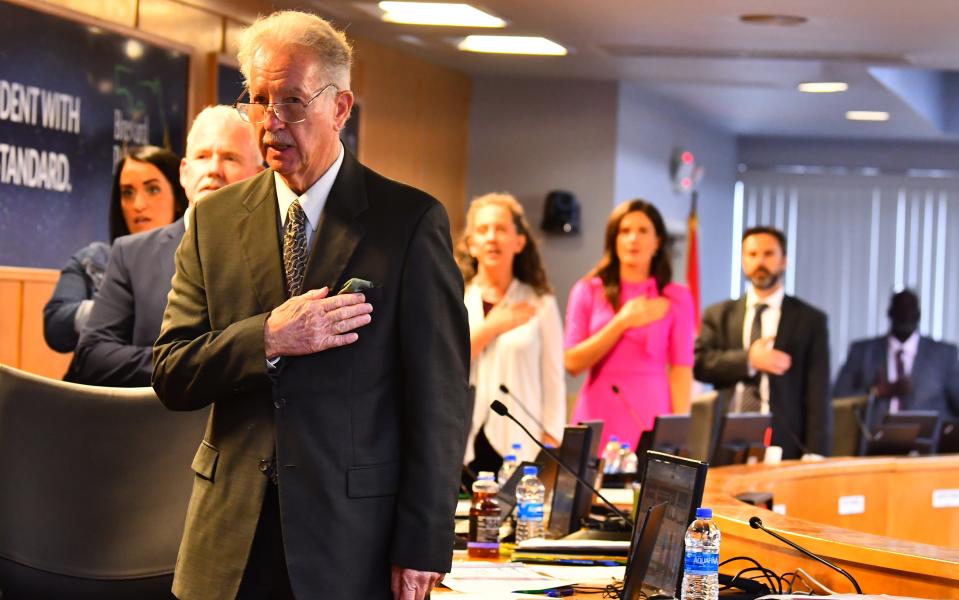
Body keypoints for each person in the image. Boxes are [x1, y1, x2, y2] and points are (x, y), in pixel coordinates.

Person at [151, 10, 469, 600]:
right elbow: (172, 371)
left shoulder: (409, 222)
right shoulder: (213, 221)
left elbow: (439, 402)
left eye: (293, 101)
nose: (271, 121)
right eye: (259, 99)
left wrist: (424, 543)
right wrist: (267, 338)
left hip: (352, 545)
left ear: (340, 108)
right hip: (228, 545)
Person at [72, 107, 263, 387]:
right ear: (184, 173)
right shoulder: (132, 253)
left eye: (230, 158)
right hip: (152, 422)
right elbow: (93, 356)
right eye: (202, 157)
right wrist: (186, 365)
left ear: (258, 176)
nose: (213, 170)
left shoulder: (279, 251)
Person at [564, 199, 695, 451]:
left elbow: (681, 370)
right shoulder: (587, 290)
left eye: (643, 231)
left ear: (657, 242)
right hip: (597, 413)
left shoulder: (676, 297)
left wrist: (679, 434)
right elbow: (572, 363)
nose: (633, 238)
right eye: (625, 231)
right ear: (614, 240)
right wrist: (622, 321)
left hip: (652, 413)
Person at [694, 226, 831, 459]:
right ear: (743, 260)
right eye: (752, 254)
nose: (760, 262)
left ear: (784, 260)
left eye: (768, 254)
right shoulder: (719, 314)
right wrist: (749, 360)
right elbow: (701, 364)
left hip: (784, 441)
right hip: (725, 439)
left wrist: (815, 452)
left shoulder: (810, 320)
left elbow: (819, 392)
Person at [456, 193, 565, 473]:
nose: (492, 237)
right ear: (471, 244)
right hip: (460, 440)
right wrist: (493, 326)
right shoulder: (454, 297)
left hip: (522, 444)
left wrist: (551, 441)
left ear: (520, 241)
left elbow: (554, 379)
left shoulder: (540, 302)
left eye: (501, 229)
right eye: (483, 230)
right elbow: (442, 364)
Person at [42, 146, 188, 357]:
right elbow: (55, 324)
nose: (138, 204)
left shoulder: (196, 263)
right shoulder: (93, 260)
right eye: (127, 193)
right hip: (98, 384)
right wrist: (118, 308)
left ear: (177, 197)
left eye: (153, 190)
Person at [834, 289, 959, 418]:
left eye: (910, 308)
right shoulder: (862, 352)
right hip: (874, 435)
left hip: (926, 435)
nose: (905, 314)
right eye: (900, 309)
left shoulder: (944, 354)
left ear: (919, 314)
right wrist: (875, 392)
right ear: (890, 313)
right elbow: (838, 398)